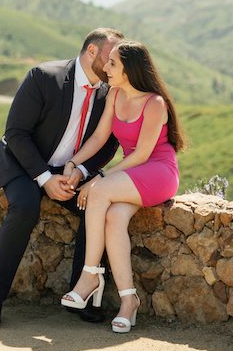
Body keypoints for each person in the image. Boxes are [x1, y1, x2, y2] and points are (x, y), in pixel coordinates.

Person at [0, 27, 124, 328]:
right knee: (25, 207)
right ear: (92, 51)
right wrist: (45, 178)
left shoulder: (111, 92)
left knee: (97, 204)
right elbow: (15, 134)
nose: (114, 65)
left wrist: (82, 171)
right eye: (111, 57)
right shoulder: (44, 76)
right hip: (21, 163)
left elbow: (110, 142)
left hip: (71, 170)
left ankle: (79, 294)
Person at [59, 40, 185, 333]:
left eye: (113, 63)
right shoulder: (114, 95)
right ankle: (129, 302)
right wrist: (74, 164)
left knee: (98, 191)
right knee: (114, 218)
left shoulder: (155, 103)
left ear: (130, 69)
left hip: (158, 172)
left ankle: (90, 276)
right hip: (132, 174)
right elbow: (100, 137)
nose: (106, 68)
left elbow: (142, 154)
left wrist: (99, 179)